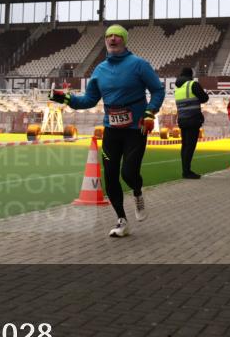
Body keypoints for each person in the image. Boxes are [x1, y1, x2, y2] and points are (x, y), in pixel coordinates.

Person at [51, 25, 165, 237]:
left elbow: (158, 90)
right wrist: (66, 98)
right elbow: (89, 100)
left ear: (124, 40)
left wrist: (150, 113)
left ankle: (138, 193)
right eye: (109, 36)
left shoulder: (139, 65)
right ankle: (121, 220)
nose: (112, 39)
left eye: (117, 36)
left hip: (135, 129)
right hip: (111, 129)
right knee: (110, 176)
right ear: (105, 41)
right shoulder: (100, 70)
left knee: (129, 174)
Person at [173, 66, 209, 179]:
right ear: (191, 75)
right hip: (193, 119)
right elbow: (204, 98)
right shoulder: (193, 84)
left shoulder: (178, 88)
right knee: (190, 146)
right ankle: (187, 172)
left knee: (185, 146)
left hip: (183, 120)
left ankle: (185, 170)